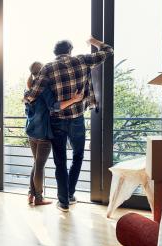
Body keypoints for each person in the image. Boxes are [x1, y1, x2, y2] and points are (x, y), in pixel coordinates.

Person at [24, 37, 114, 212]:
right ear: (70, 50)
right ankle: (70, 193)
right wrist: (94, 42)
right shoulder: (81, 60)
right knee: (78, 156)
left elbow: (32, 94)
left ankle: (63, 202)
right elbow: (108, 51)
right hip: (77, 119)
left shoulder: (48, 68)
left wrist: (27, 97)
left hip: (57, 120)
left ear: (54, 52)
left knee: (60, 162)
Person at [25, 61, 83, 205]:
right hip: (43, 133)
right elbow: (55, 106)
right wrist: (74, 99)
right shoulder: (44, 89)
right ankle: (38, 198)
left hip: (32, 132)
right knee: (39, 166)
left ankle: (31, 194)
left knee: (37, 164)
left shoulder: (29, 90)